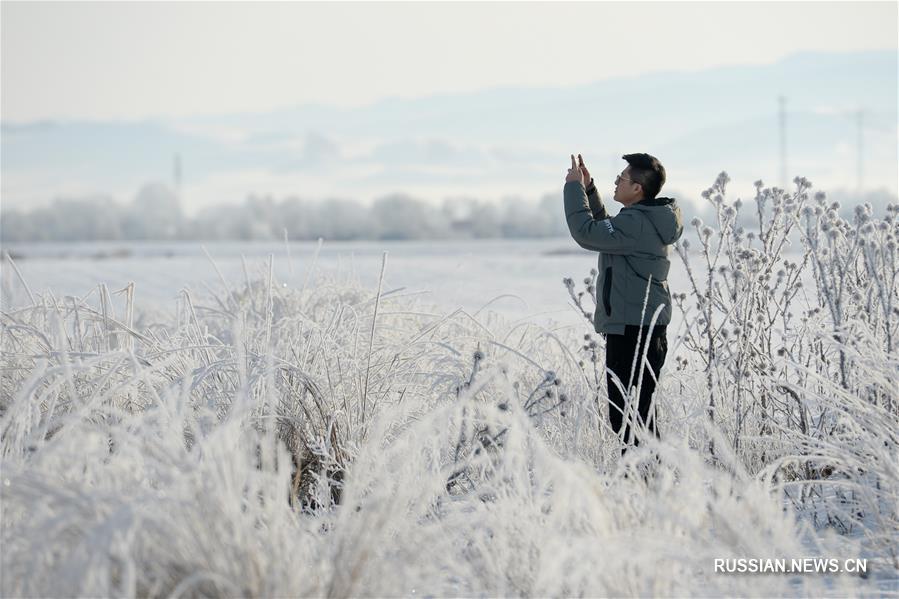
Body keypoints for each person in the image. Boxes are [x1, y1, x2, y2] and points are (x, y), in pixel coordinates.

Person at [563, 153, 683, 454]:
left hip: (633, 331)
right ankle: (648, 485)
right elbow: (607, 232)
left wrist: (573, 188)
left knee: (629, 418)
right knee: (636, 416)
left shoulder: (637, 224)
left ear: (637, 189)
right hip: (640, 329)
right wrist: (589, 189)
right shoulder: (641, 220)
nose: (616, 181)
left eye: (622, 178)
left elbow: (587, 233)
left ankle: (644, 487)